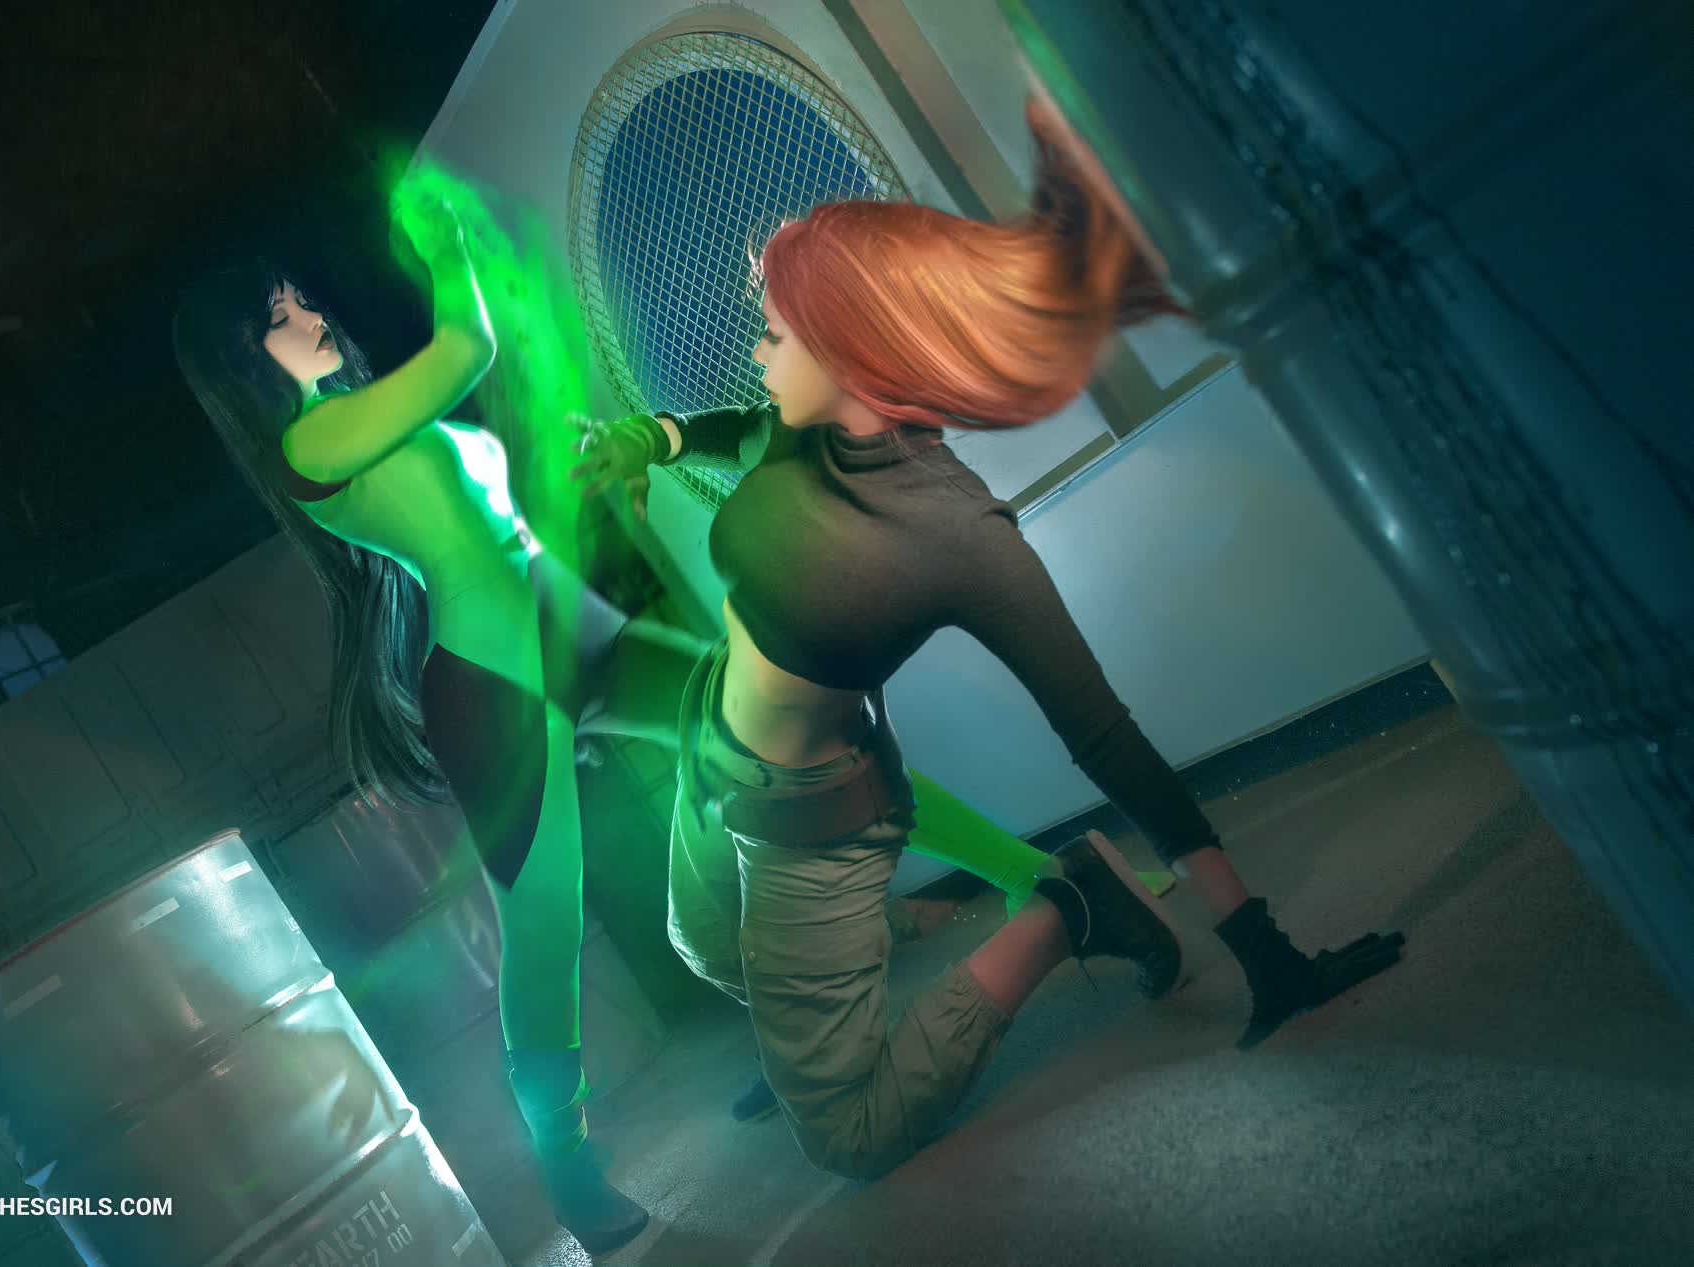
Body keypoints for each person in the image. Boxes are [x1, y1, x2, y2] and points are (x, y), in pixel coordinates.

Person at [571, 95, 1406, 1179]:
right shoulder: (797, 427)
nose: (757, 352)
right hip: (707, 749)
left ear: (851, 349)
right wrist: (655, 435)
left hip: (807, 817)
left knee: (851, 1138)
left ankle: (1069, 905)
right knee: (698, 939)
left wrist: (1263, 949)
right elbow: (739, 431)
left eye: (774, 333)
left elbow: (1106, 739)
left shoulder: (958, 533)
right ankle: (817, 1015)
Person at [171, 197, 706, 1252]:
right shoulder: (311, 441)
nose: (307, 315)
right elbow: (466, 347)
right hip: (490, 684)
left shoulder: (371, 415)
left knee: (777, 719)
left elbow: (497, 482)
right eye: (276, 317)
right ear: (245, 363)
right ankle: (569, 1173)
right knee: (546, 934)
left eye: (300, 297)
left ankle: (1010, 887)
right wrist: (446, 243)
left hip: (570, 628)